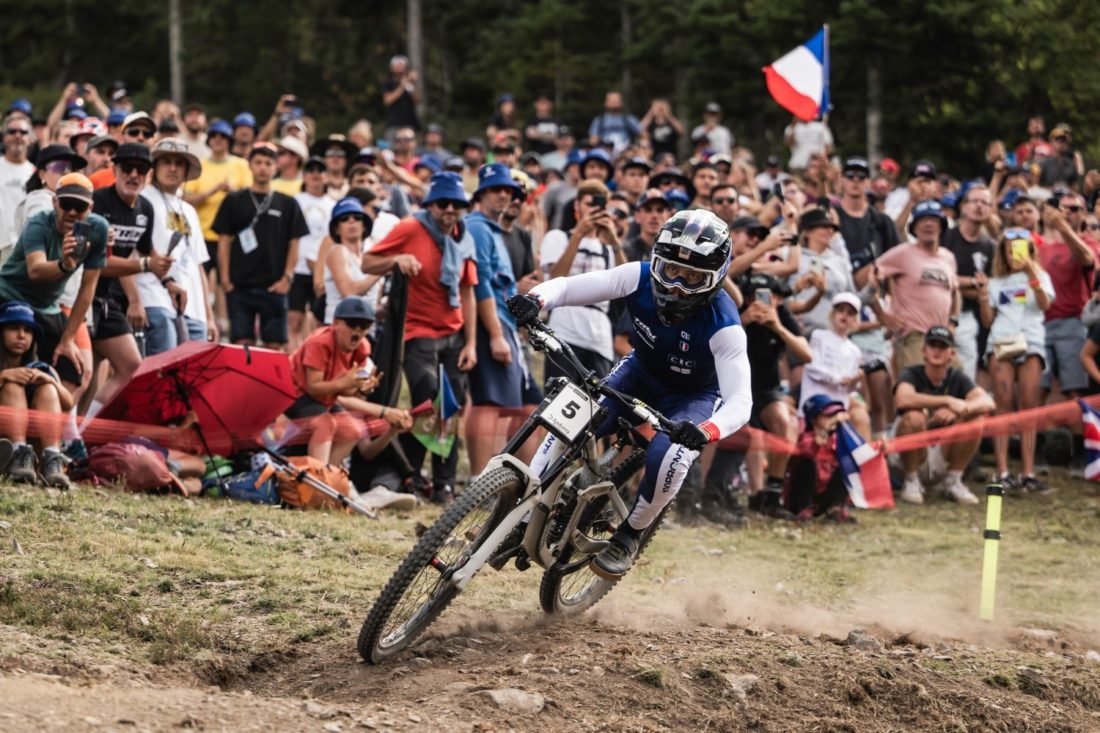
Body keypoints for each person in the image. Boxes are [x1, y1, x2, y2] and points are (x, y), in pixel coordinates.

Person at [509, 209, 752, 579]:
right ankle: (521, 514)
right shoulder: (636, 276)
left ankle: (630, 533)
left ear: (714, 280)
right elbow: (570, 287)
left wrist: (706, 431)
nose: (676, 287)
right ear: (656, 262)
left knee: (670, 453)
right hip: (640, 373)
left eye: (692, 279)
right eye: (671, 271)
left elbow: (741, 402)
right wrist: (537, 300)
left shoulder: (725, 326)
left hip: (693, 398)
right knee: (572, 418)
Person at [361, 172, 478, 503]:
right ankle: (410, 473)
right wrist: (396, 259)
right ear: (431, 204)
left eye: (457, 205)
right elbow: (367, 262)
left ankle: (443, 483)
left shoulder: (461, 235)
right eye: (443, 204)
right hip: (418, 333)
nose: (449, 210)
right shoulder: (411, 228)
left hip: (454, 335)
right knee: (428, 405)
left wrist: (471, 343)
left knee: (449, 411)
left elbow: (468, 291)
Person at [86, 143, 171, 421]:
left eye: (142, 170)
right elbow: (96, 261)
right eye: (127, 168)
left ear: (149, 175)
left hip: (111, 300)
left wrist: (169, 281)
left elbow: (146, 249)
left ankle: (83, 430)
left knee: (130, 367)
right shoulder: (97, 202)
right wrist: (145, 266)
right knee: (85, 373)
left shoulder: (145, 208)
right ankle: (60, 438)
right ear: (115, 169)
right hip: (83, 295)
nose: (134, 175)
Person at [285, 296, 408, 466]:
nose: (357, 329)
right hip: (295, 392)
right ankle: (315, 480)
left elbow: (347, 392)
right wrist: (346, 384)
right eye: (351, 323)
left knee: (352, 431)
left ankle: (329, 478)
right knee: (325, 424)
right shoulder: (320, 342)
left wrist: (361, 389)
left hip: (323, 398)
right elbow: (313, 387)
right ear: (335, 323)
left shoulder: (362, 348)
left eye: (364, 325)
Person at [977, 228, 1053, 494]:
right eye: (1009, 248)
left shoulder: (1041, 275)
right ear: (1002, 252)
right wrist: (984, 296)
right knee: (1003, 404)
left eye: (1019, 248)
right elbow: (987, 320)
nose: (1013, 253)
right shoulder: (997, 281)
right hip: (1001, 342)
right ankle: (1003, 471)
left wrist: (1032, 275)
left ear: (1030, 250)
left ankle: (1028, 472)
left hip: (1031, 340)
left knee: (1029, 406)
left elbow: (1044, 305)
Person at [214, 142, 309, 350]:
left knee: (274, 347)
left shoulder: (287, 203)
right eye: (258, 162)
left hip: (274, 286)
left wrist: (287, 277)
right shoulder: (233, 200)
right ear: (250, 165)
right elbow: (223, 241)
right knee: (241, 345)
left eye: (268, 163)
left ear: (276, 167)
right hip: (240, 285)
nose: (263, 167)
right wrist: (225, 279)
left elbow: (295, 242)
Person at [464, 164, 526, 476]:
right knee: (488, 402)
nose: (504, 195)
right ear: (482, 193)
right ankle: (478, 478)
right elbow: (481, 283)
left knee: (503, 406)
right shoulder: (476, 227)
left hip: (504, 323)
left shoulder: (491, 229)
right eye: (496, 189)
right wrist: (496, 333)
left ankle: (487, 476)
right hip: (492, 323)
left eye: (509, 191)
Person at [893, 327, 994, 505]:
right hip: (911, 452)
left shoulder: (958, 378)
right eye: (932, 345)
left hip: (942, 452)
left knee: (976, 418)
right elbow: (902, 399)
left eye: (943, 346)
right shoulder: (910, 373)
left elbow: (988, 402)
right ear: (923, 350)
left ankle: (953, 480)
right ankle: (911, 479)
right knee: (914, 418)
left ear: (952, 353)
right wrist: (946, 401)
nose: (937, 350)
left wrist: (960, 410)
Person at [539, 179, 623, 385]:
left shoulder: (608, 249)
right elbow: (554, 278)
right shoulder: (558, 237)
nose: (593, 210)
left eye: (598, 205)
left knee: (597, 409)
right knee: (555, 405)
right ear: (576, 206)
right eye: (588, 204)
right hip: (564, 333)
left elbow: (624, 286)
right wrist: (578, 234)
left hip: (599, 340)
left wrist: (615, 243)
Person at [138, 139, 215, 355]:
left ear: (186, 170)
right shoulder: (143, 200)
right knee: (162, 372)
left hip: (194, 307)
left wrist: (209, 316)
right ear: (155, 167)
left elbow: (199, 264)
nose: (172, 168)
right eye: (166, 162)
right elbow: (137, 250)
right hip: (155, 297)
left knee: (193, 376)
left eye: (179, 163)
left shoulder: (190, 211)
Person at [872, 200, 959, 372]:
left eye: (933, 220)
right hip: (912, 335)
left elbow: (955, 293)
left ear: (941, 226)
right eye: (922, 220)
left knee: (960, 384)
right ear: (914, 228)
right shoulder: (902, 253)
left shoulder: (948, 257)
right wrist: (882, 315)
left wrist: (953, 321)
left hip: (941, 337)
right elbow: (869, 276)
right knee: (918, 386)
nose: (928, 224)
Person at [0, 301, 74, 488]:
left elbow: (69, 403)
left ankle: (52, 458)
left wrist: (50, 380)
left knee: (48, 390)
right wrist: (3, 377)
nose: (21, 335)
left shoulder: (40, 367)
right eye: (13, 328)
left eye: (28, 330)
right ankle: (17, 453)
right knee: (12, 386)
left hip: (35, 447)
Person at [941, 184, 996, 379]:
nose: (979, 206)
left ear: (990, 210)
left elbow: (989, 287)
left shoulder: (990, 246)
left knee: (966, 377)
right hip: (940, 313)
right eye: (975, 201)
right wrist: (973, 282)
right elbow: (939, 278)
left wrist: (958, 284)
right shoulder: (946, 237)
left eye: (985, 203)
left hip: (970, 318)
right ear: (963, 206)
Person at [322, 197, 377, 324]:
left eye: (357, 217)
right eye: (344, 219)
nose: (351, 221)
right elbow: (349, 292)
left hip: (367, 328)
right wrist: (381, 269)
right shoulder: (337, 251)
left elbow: (372, 303)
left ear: (364, 225)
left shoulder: (370, 251)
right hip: (339, 331)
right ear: (337, 229)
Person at [0, 114, 36, 262]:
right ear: (3, 137)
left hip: (24, 249)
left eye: (23, 132)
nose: (18, 136)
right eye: (12, 131)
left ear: (31, 138)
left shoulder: (37, 173)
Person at [382, 55, 420, 133]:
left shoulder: (411, 83)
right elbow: (387, 101)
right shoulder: (389, 83)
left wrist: (410, 83)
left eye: (402, 66)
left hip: (410, 124)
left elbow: (417, 100)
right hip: (394, 125)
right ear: (392, 68)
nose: (400, 69)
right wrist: (402, 87)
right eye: (397, 66)